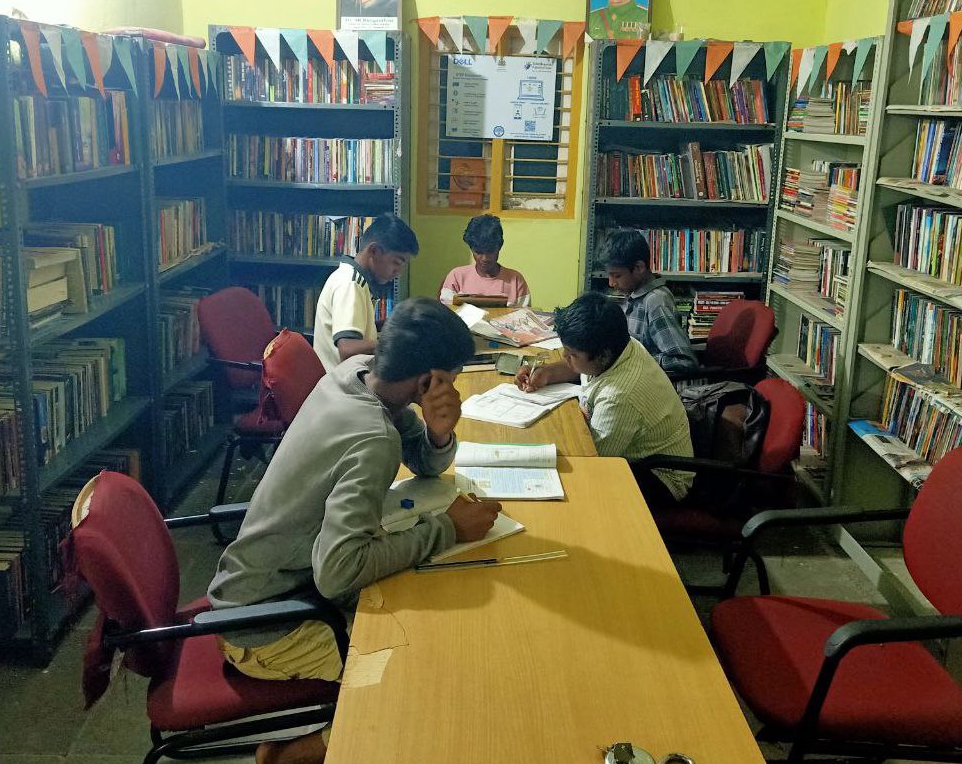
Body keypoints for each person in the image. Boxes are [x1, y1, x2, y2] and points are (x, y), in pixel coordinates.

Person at [209, 297, 501, 764]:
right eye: (450, 379)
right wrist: (445, 528)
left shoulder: (358, 374)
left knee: (425, 624)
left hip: (259, 583)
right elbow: (340, 572)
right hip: (267, 625)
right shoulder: (372, 438)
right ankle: (292, 754)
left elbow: (422, 461)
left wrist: (439, 432)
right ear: (429, 380)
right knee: (415, 673)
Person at [516, 291, 693, 508]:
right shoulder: (619, 345)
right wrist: (547, 373)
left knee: (570, 491)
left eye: (571, 354)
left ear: (602, 355)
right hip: (629, 452)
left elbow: (591, 460)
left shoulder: (620, 396)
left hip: (659, 477)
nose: (565, 357)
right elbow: (580, 367)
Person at [313, 213, 418, 371]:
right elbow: (347, 349)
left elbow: (358, 331)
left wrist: (391, 326)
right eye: (396, 262)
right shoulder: (350, 284)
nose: (398, 272)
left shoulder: (355, 279)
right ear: (374, 251)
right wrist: (396, 342)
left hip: (347, 376)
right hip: (344, 385)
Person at [603, 228, 698, 376]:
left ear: (639, 267)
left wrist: (632, 361)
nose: (611, 283)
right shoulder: (634, 294)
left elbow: (684, 362)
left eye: (617, 276)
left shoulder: (655, 301)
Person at [439, 213, 530, 306]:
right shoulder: (457, 277)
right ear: (471, 248)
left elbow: (523, 318)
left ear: (500, 246)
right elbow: (446, 317)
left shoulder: (516, 281)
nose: (485, 258)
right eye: (478, 252)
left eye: (490, 251)